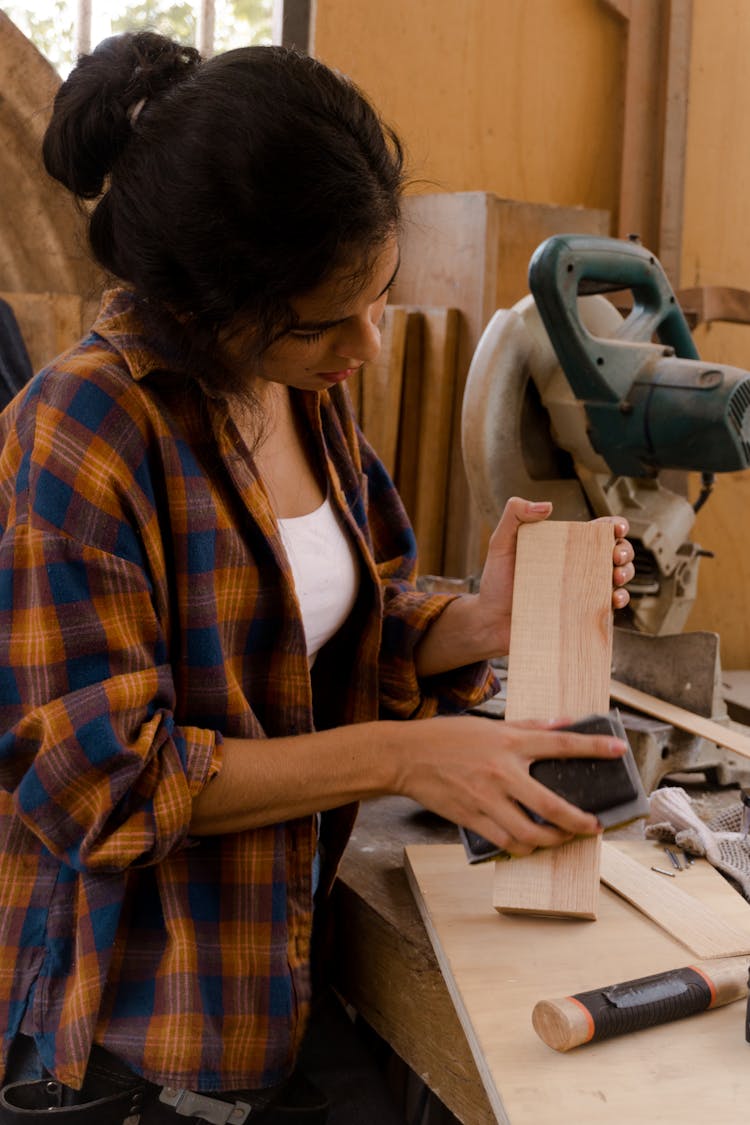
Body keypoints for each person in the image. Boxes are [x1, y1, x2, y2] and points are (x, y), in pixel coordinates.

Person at [0, 31, 635, 1125]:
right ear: (206, 302)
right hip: (138, 1030)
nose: (369, 347)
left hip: (282, 966)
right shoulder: (78, 432)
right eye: (326, 319)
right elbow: (102, 786)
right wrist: (403, 754)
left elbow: (340, 622)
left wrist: (470, 623)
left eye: (379, 297)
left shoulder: (304, 386)